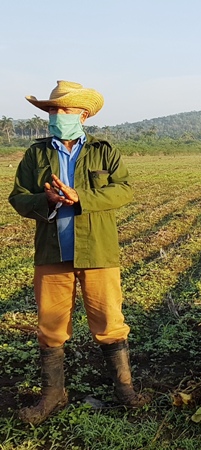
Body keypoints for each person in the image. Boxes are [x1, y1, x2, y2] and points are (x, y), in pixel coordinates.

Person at [9, 81, 149, 425]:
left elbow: (124, 191)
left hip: (98, 251)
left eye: (65, 110)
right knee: (51, 325)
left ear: (83, 115)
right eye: (53, 110)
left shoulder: (104, 151)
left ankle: (124, 389)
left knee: (109, 321)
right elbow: (18, 197)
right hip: (52, 251)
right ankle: (52, 396)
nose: (58, 116)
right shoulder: (36, 155)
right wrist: (48, 200)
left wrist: (80, 197)